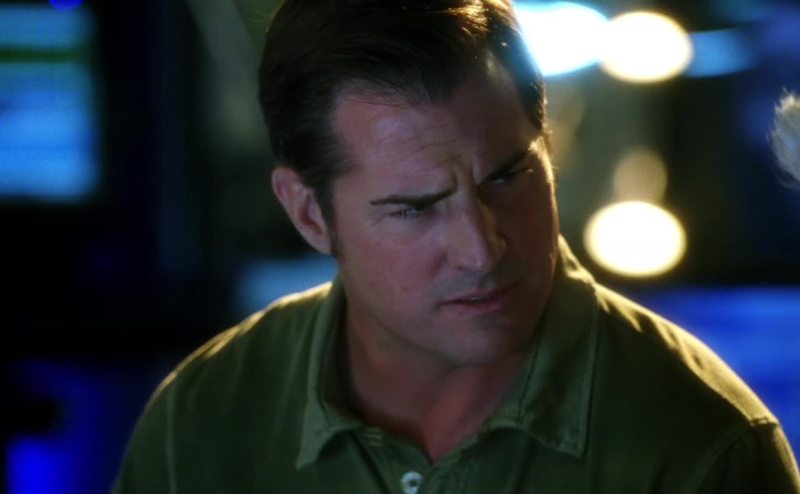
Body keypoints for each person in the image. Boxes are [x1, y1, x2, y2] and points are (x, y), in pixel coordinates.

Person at [113, 0, 800, 492]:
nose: (481, 249)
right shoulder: (205, 415)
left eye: (508, 176)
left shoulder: (704, 447)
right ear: (309, 214)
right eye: (415, 208)